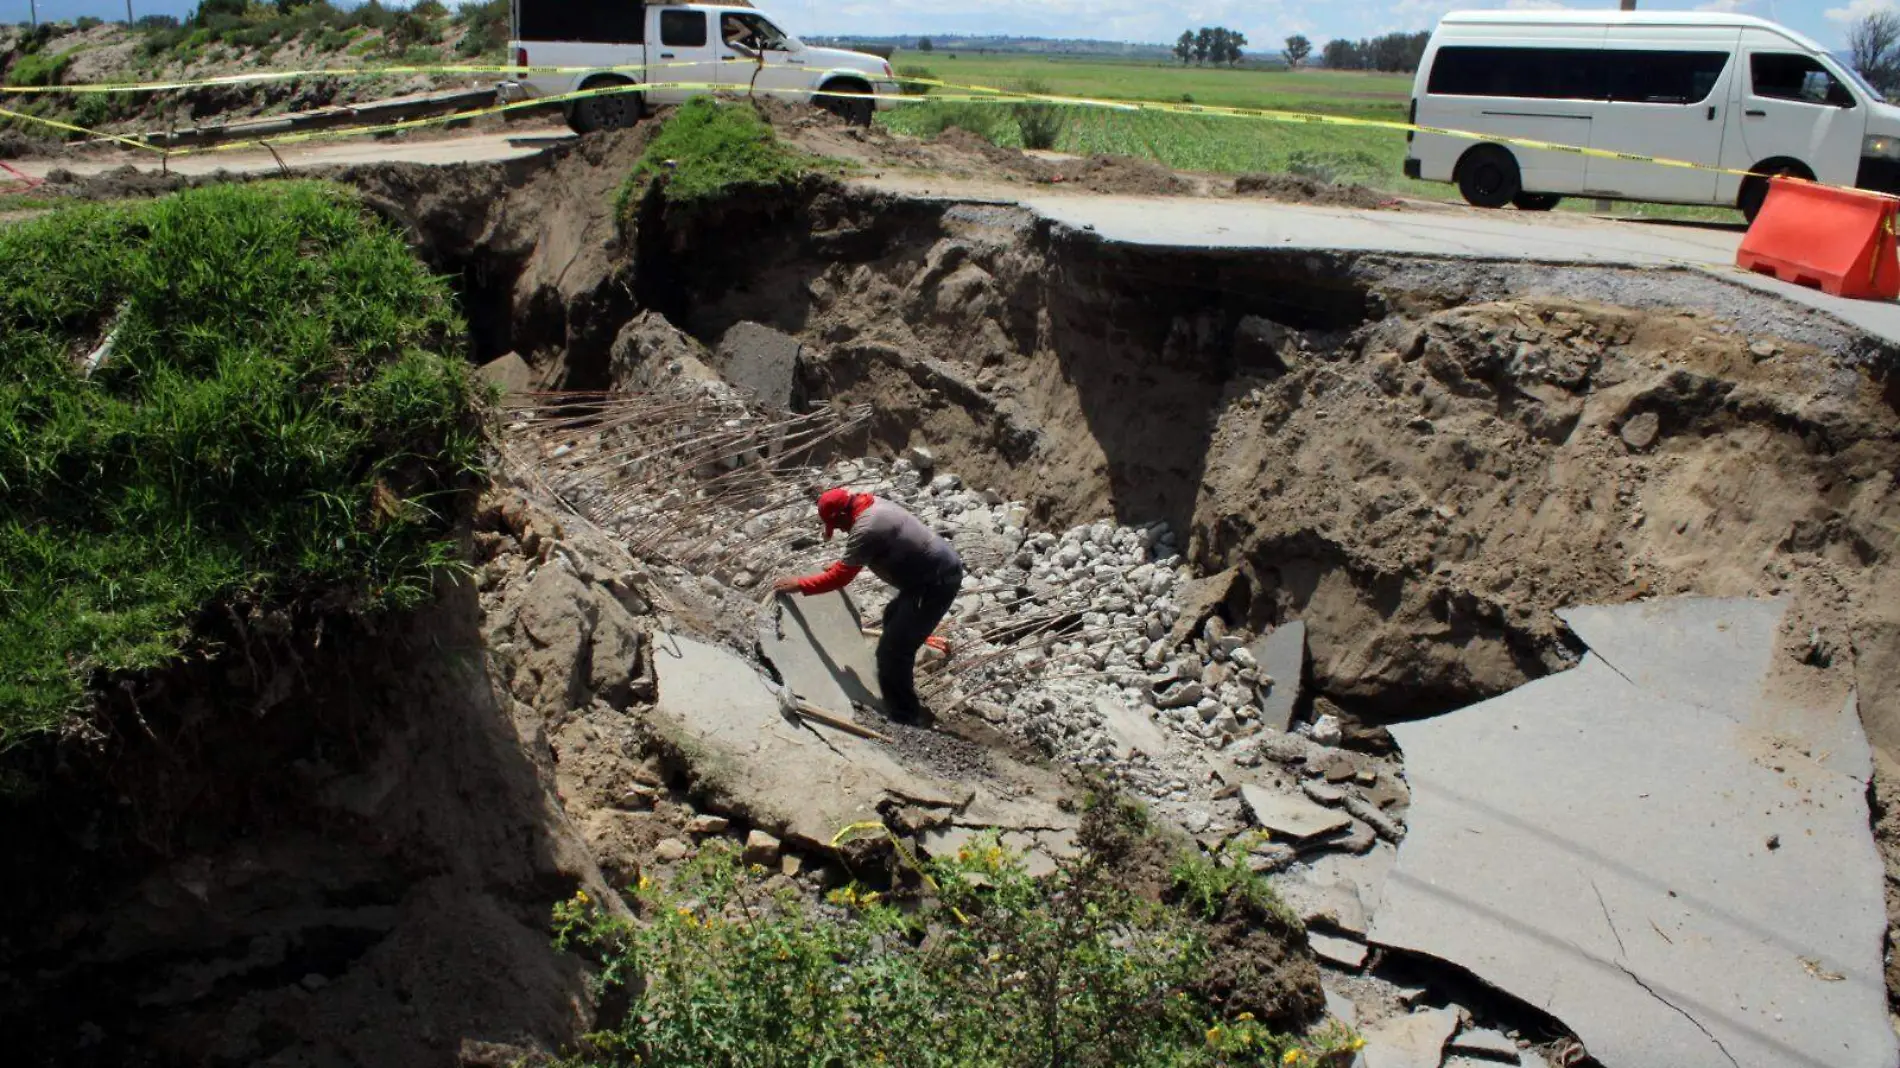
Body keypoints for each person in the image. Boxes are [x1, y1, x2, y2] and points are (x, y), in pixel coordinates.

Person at [775, 487, 963, 724]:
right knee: (892, 617)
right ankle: (893, 687)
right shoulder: (870, 505)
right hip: (927, 576)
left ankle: (906, 717)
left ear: (843, 515)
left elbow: (840, 578)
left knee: (894, 650)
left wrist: (800, 585)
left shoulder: (866, 528)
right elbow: (856, 558)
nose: (842, 531)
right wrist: (841, 565)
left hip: (935, 583)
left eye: (839, 526)